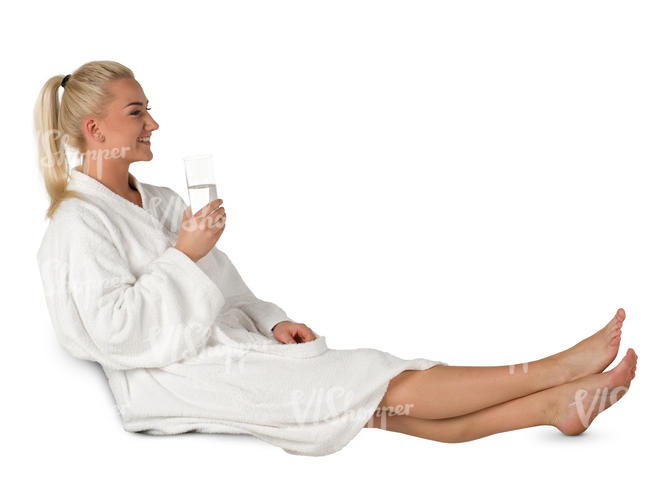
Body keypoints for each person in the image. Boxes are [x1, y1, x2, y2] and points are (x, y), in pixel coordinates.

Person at [34, 60, 638, 457]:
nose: (154, 123)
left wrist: (269, 320)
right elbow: (110, 333)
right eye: (137, 112)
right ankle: (552, 371)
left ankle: (555, 406)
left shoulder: (160, 202)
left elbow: (226, 289)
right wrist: (186, 254)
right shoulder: (76, 224)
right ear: (95, 128)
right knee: (370, 374)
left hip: (225, 350)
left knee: (378, 408)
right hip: (175, 377)